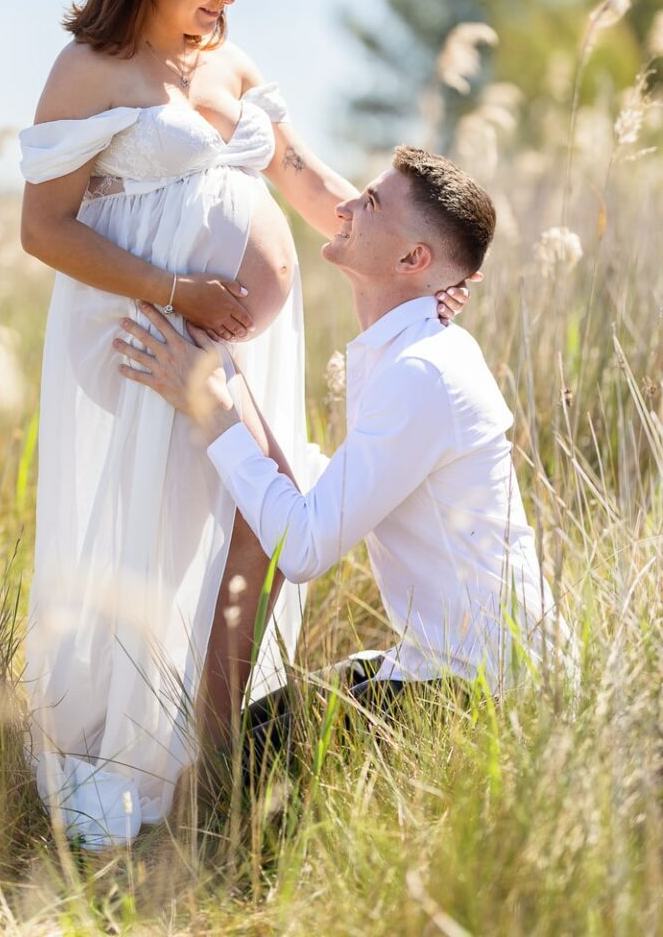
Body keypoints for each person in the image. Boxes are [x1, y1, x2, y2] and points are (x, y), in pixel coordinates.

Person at [18, 0, 472, 848]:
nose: (224, 2)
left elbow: (307, 182)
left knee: (247, 529)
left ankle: (214, 762)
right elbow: (44, 229)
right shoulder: (90, 68)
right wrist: (180, 294)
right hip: (153, 332)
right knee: (170, 530)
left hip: (242, 341)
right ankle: (150, 759)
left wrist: (408, 263)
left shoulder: (229, 60)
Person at [115, 146, 568, 763]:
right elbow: (338, 490)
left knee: (243, 766)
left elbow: (302, 550)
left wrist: (212, 409)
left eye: (371, 202)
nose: (346, 206)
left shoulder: (422, 373)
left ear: (414, 259)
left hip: (484, 694)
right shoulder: (406, 354)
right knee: (238, 744)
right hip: (441, 666)